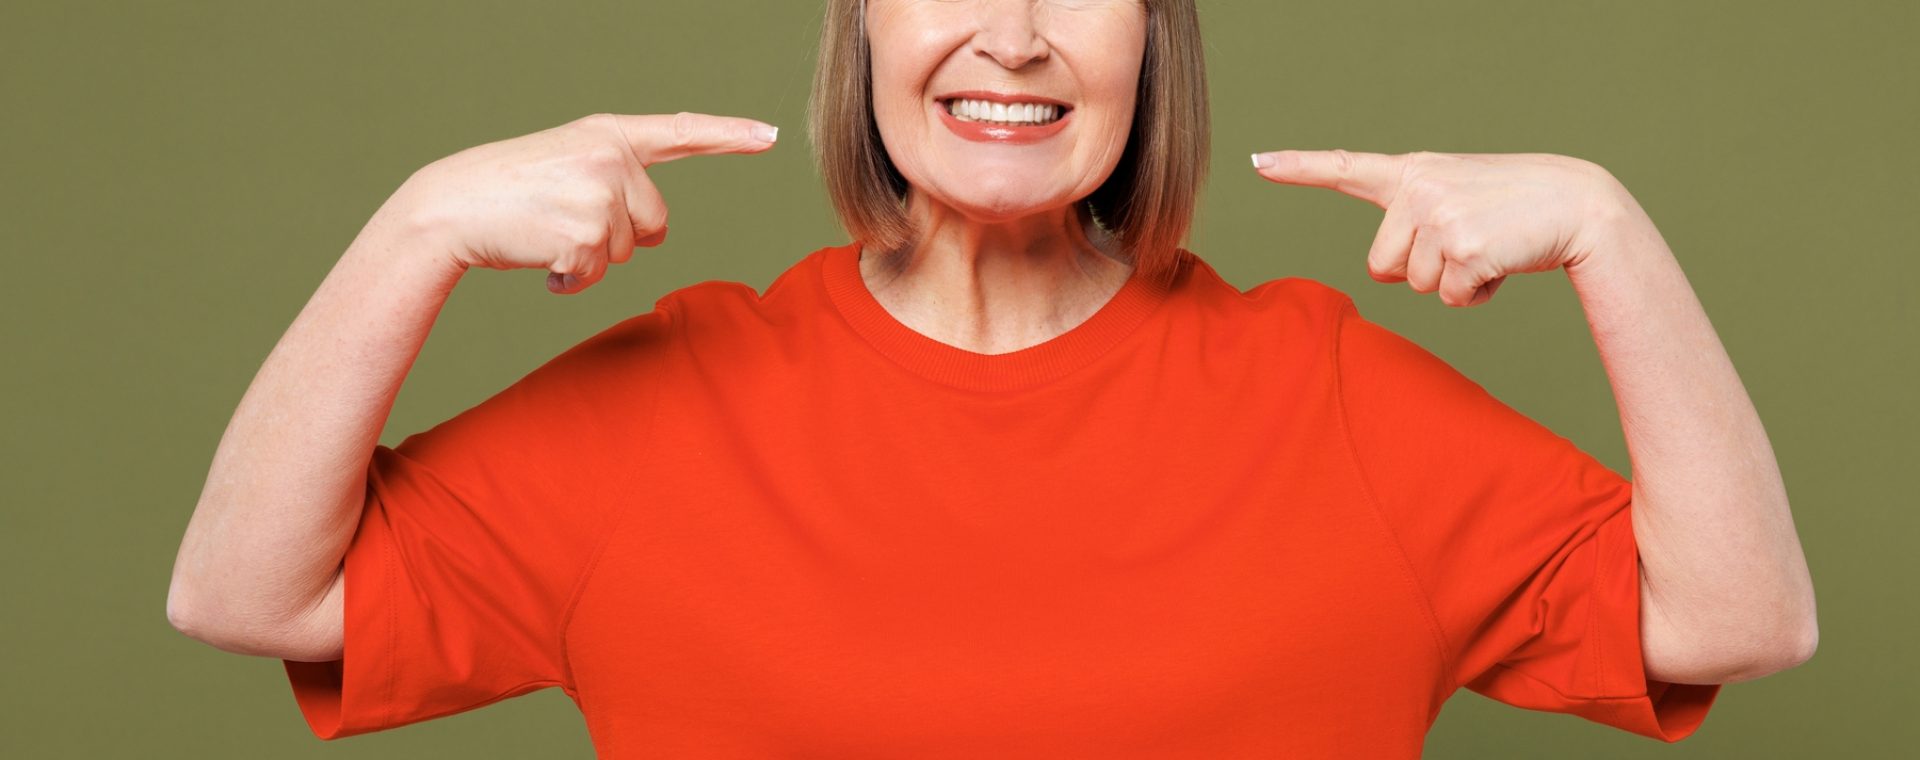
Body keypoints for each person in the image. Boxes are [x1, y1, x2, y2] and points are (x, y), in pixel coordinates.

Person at [167, 0, 1817, 756]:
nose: (1014, 36)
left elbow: (1739, 623)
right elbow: (246, 594)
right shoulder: (678, 396)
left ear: (1154, 39)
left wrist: (1612, 229)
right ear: (862, 25)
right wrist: (415, 230)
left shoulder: (1325, 397)